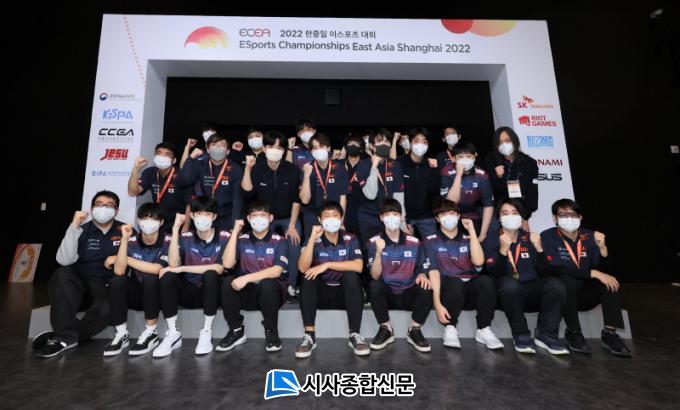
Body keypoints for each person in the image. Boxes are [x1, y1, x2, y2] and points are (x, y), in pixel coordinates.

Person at [34, 191, 124, 358]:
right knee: (61, 274)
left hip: (107, 284)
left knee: (109, 308)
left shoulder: (124, 230)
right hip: (81, 284)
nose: (103, 208)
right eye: (99, 204)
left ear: (116, 210)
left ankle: (63, 338)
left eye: (109, 205)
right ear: (92, 208)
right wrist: (74, 226)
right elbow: (64, 260)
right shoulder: (80, 229)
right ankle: (64, 336)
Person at [541, 199, 632, 357]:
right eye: (563, 214)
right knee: (566, 280)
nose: (569, 218)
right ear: (555, 218)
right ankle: (573, 331)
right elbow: (556, 268)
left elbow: (604, 270)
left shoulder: (590, 236)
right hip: (563, 295)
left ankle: (610, 333)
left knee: (610, 281)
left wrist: (603, 248)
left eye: (573, 214)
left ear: (580, 217)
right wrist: (593, 273)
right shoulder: (547, 236)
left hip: (584, 294)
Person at [483, 199, 569, 355]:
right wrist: (503, 251)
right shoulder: (491, 239)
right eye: (505, 213)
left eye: (514, 212)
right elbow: (495, 274)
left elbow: (545, 273)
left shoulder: (531, 238)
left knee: (556, 284)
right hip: (505, 295)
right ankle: (520, 334)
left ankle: (546, 335)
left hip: (529, 292)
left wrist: (540, 249)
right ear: (499, 218)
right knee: (509, 285)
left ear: (521, 217)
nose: (510, 216)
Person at [422, 199, 503, 350]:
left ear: (459, 216)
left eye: (452, 213)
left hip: (469, 288)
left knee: (486, 281)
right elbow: (433, 272)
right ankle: (450, 328)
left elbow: (479, 262)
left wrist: (472, 231)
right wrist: (437, 303)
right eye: (443, 214)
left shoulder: (468, 239)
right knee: (455, 282)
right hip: (448, 289)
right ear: (437, 218)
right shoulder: (430, 241)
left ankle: (483, 329)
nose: (448, 217)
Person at [153, 197, 228, 357]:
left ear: (214, 217)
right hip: (188, 292)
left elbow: (219, 268)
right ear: (192, 215)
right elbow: (173, 264)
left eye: (207, 214)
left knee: (211, 274)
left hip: (213, 294)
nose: (203, 218)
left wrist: (182, 268)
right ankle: (173, 333)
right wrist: (175, 229)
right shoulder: (185, 237)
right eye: (199, 213)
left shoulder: (224, 237)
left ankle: (206, 331)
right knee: (168, 276)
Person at [295, 201, 368, 358]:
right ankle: (309, 335)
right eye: (326, 216)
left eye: (335, 216)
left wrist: (327, 264)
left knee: (351, 276)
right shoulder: (314, 239)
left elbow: (358, 266)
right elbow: (302, 267)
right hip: (321, 295)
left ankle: (354, 333)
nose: (331, 219)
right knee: (308, 276)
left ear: (341, 219)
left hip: (345, 295)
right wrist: (311, 240)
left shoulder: (351, 238)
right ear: (319, 220)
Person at [217, 200, 288, 353]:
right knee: (227, 282)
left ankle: (272, 331)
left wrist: (246, 278)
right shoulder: (241, 240)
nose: (259, 219)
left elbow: (276, 271)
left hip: (271, 295)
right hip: (247, 294)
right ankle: (236, 330)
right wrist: (234, 233)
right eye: (254, 215)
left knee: (267, 283)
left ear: (270, 218)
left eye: (263, 215)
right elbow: (227, 264)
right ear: (248, 219)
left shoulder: (280, 241)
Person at [366, 199, 432, 353]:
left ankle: (414, 329)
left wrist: (422, 274)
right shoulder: (373, 242)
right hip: (387, 294)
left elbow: (422, 267)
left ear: (401, 217)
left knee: (426, 286)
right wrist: (378, 253)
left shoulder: (414, 242)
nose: (391, 218)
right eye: (387, 214)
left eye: (395, 214)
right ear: (381, 218)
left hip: (408, 292)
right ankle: (386, 328)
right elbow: (375, 275)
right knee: (374, 286)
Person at [241, 131, 302, 294]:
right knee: (261, 245)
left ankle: (291, 284)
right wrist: (247, 168)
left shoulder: (292, 170)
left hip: (288, 218)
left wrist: (292, 226)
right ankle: (260, 281)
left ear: (284, 150)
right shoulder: (257, 168)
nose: (275, 151)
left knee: (294, 243)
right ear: (264, 148)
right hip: (264, 218)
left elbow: (296, 200)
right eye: (270, 147)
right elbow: (246, 193)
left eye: (279, 148)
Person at [105, 202, 169, 357]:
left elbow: (156, 269)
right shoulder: (131, 240)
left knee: (151, 278)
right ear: (138, 221)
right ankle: (121, 333)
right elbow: (119, 270)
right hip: (138, 293)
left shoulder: (168, 240)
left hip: (159, 294)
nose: (148, 222)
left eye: (154, 219)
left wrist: (125, 259)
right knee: (117, 281)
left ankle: (151, 332)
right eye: (144, 218)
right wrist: (124, 239)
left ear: (161, 222)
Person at [176, 133, 243, 232]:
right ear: (207, 150)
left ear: (228, 151)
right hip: (202, 215)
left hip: (225, 217)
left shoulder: (236, 169)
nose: (217, 148)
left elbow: (237, 198)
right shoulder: (200, 163)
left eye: (221, 145)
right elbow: (183, 181)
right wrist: (191, 159)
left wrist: (234, 225)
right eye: (213, 145)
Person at [352, 128, 406, 245]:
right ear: (372, 146)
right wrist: (374, 168)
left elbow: (399, 195)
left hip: (390, 215)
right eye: (380, 141)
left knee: (392, 248)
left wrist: (402, 223)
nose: (384, 144)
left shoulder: (395, 165)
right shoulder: (363, 166)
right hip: (369, 215)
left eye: (386, 141)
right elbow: (370, 195)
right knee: (372, 249)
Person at [482, 127, 538, 228]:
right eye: (500, 142)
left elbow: (532, 192)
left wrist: (525, 216)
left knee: (522, 237)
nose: (504, 144)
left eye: (507, 140)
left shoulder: (529, 163)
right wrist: (497, 176)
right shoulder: (490, 160)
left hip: (519, 211)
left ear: (515, 140)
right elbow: (488, 191)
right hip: (496, 212)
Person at [128, 142, 190, 233]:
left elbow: (189, 204)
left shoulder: (181, 175)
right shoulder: (150, 172)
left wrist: (186, 227)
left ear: (173, 160)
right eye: (159, 153)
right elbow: (133, 191)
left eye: (167, 154)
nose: (162, 157)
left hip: (178, 221)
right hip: (157, 220)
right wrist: (135, 169)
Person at [440, 141, 494, 243]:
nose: (465, 160)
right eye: (460, 157)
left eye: (469, 156)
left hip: (473, 214)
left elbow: (488, 205)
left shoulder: (482, 175)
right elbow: (450, 203)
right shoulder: (446, 172)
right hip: (450, 213)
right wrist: (458, 175)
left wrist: (483, 234)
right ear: (454, 158)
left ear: (474, 157)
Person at [300, 133, 349, 240]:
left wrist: (341, 221)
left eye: (321, 146)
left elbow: (343, 197)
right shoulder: (307, 169)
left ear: (328, 148)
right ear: (311, 151)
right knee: (312, 245)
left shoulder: (340, 168)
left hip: (333, 214)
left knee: (334, 245)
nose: (318, 150)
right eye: (315, 148)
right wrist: (307, 176)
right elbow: (304, 200)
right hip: (312, 216)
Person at [396, 127, 440, 238]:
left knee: (433, 245)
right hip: (404, 216)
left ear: (428, 145)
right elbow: (394, 191)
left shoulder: (431, 165)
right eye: (416, 141)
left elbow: (435, 191)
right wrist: (401, 219)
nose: (420, 145)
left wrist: (435, 171)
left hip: (426, 216)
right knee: (406, 247)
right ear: (410, 143)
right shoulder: (399, 163)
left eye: (424, 142)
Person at [342, 134, 368, 235]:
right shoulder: (337, 165)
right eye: (350, 144)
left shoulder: (367, 166)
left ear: (361, 149)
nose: (352, 146)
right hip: (342, 211)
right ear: (346, 148)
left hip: (362, 211)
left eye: (356, 144)